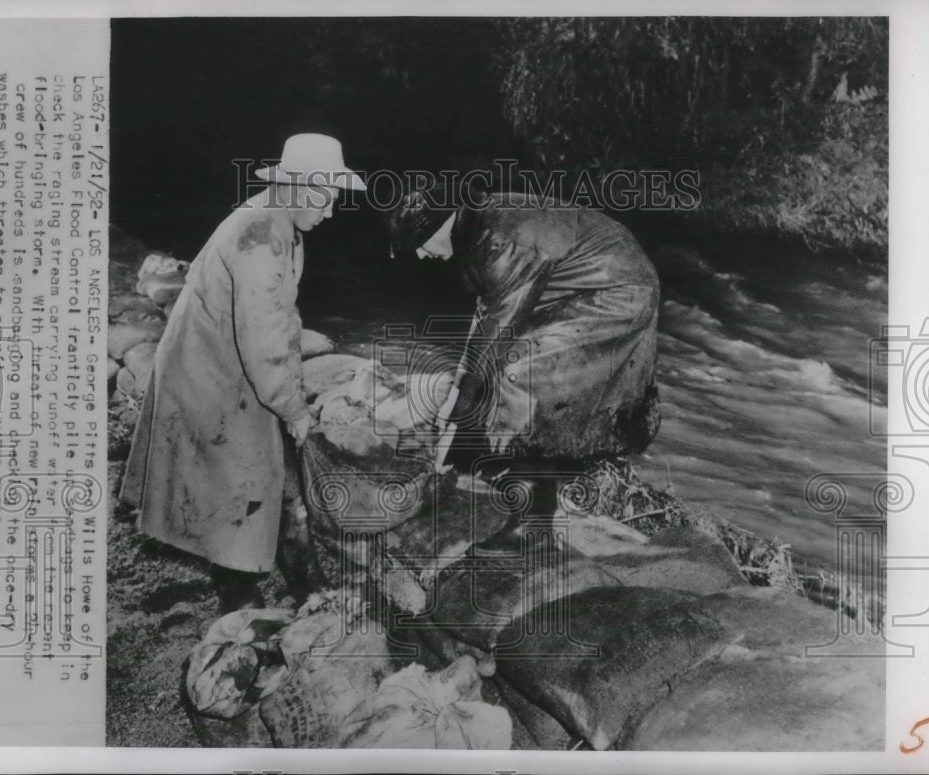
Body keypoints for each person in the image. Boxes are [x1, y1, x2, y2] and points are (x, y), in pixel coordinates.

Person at [121, 133, 366, 611]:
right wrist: (293, 409)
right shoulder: (261, 237)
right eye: (329, 197)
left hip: (223, 367)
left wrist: (291, 391)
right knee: (244, 486)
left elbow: (283, 319)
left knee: (250, 483)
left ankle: (259, 585)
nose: (332, 211)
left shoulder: (278, 224)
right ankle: (237, 605)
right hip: (209, 376)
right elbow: (265, 337)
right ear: (300, 188)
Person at [385, 183, 661, 514]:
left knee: (519, 374)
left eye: (419, 243)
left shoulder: (504, 239)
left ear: (442, 223)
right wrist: (461, 384)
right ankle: (488, 462)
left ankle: (522, 487)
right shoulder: (477, 232)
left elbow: (501, 329)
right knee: (485, 376)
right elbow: (487, 319)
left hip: (618, 287)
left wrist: (460, 409)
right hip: (574, 285)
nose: (419, 253)